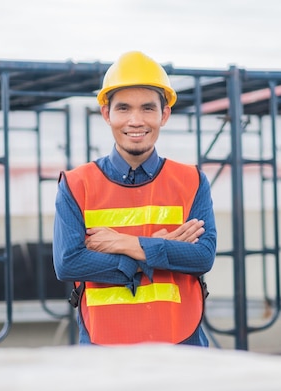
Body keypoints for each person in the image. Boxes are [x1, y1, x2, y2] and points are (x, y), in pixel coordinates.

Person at [52, 51, 217, 346]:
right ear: (107, 114)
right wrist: (154, 254)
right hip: (104, 345)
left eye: (148, 109)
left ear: (164, 115)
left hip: (181, 343)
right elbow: (68, 262)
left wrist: (128, 244)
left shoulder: (191, 181)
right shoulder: (76, 184)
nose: (136, 121)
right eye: (124, 108)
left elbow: (202, 256)